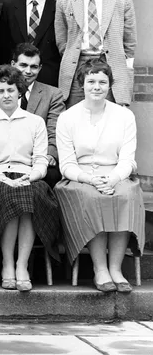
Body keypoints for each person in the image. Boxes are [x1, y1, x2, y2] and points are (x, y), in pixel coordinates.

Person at [55, 60, 144, 293]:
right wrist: (90, 179)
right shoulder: (67, 117)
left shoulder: (124, 116)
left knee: (125, 196)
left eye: (102, 82)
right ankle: (100, 269)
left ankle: (115, 268)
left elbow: (127, 159)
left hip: (116, 174)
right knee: (94, 198)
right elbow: (66, 164)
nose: (97, 87)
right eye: (91, 81)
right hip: (80, 178)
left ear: (110, 85)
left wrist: (113, 179)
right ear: (81, 84)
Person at [0, 65, 60, 292]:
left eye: (10, 90)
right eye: (1, 91)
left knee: (30, 195)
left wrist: (31, 177)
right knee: (10, 195)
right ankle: (7, 262)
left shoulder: (35, 122)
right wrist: (3, 178)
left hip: (28, 177)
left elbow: (41, 160)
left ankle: (22, 265)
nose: (6, 95)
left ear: (19, 91)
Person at [55, 0, 136, 107]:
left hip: (110, 65)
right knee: (76, 115)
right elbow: (62, 39)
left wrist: (124, 68)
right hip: (77, 66)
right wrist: (74, 56)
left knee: (110, 117)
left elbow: (129, 42)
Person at [0, 43, 65, 187]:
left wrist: (49, 154)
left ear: (40, 68)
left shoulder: (53, 94)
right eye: (23, 65)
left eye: (34, 67)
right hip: (4, 159)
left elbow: (55, 130)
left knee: (51, 174)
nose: (28, 71)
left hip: (41, 157)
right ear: (13, 64)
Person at [0, 0, 60, 87]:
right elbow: (2, 45)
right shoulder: (9, 7)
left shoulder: (58, 7)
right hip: (15, 78)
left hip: (48, 79)